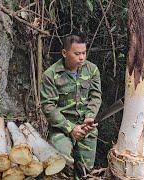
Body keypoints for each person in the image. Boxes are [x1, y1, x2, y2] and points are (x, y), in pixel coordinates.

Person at [40, 35, 102, 179]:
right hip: (62, 128)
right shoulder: (51, 75)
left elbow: (95, 96)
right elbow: (48, 106)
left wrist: (90, 117)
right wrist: (70, 128)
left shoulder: (92, 70)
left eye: (84, 53)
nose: (81, 57)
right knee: (62, 166)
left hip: (86, 127)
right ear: (64, 53)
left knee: (85, 172)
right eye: (77, 53)